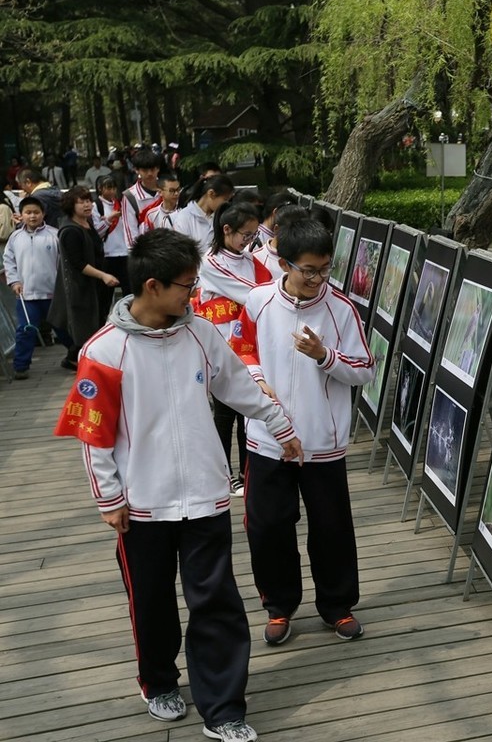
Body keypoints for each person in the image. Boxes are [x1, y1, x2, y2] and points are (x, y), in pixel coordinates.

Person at [53, 228, 302, 742]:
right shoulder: (104, 350)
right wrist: (110, 498)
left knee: (216, 601)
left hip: (206, 497)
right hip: (140, 505)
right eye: (187, 286)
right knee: (151, 600)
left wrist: (280, 425)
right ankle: (159, 681)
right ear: (152, 285)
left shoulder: (200, 335)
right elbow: (93, 435)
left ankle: (224, 707)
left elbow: (237, 384)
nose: (196, 295)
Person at [237, 218, 374, 646]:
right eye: (308, 270)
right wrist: (258, 381)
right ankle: (279, 607)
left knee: (331, 527)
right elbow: (241, 352)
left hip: (322, 442)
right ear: (283, 264)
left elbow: (365, 370)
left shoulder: (341, 309)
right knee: (268, 527)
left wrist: (325, 355)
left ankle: (337, 606)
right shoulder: (257, 302)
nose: (318, 279)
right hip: (266, 439)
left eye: (325, 269)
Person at [196, 202, 272, 495]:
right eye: (245, 234)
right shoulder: (211, 261)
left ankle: (246, 472)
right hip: (222, 345)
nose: (250, 240)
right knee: (225, 413)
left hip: (250, 344)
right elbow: (252, 292)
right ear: (226, 230)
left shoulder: (251, 259)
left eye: (254, 234)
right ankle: (224, 473)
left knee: (248, 412)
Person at [3, 197, 71, 378]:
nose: (32, 216)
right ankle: (21, 366)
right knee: (26, 329)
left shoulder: (54, 235)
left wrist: (62, 287)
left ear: (43, 214)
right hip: (26, 296)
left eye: (36, 212)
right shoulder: (15, 238)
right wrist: (14, 281)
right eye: (28, 212)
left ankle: (75, 357)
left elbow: (62, 263)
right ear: (21, 215)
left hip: (52, 295)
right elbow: (9, 261)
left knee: (62, 328)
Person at [50, 185, 118, 368]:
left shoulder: (87, 223)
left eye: (89, 201)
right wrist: (103, 275)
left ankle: (79, 358)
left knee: (95, 322)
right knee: (83, 325)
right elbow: (77, 263)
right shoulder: (70, 230)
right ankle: (79, 359)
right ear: (72, 205)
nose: (87, 205)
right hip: (80, 286)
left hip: (94, 284)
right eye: (82, 202)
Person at [91, 175, 126, 311]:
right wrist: (108, 220)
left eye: (113, 188)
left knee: (129, 292)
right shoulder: (96, 206)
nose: (112, 191)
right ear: (100, 189)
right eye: (108, 188)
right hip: (106, 254)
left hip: (124, 253)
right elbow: (97, 232)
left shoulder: (121, 204)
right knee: (105, 295)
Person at [175, 174, 235, 252]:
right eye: (225, 199)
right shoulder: (184, 217)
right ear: (211, 194)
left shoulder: (222, 217)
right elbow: (182, 252)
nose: (226, 204)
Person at [253, 203, 306, 279]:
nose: (297, 237)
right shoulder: (256, 258)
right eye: (291, 232)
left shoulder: (305, 258)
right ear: (276, 229)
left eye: (301, 232)